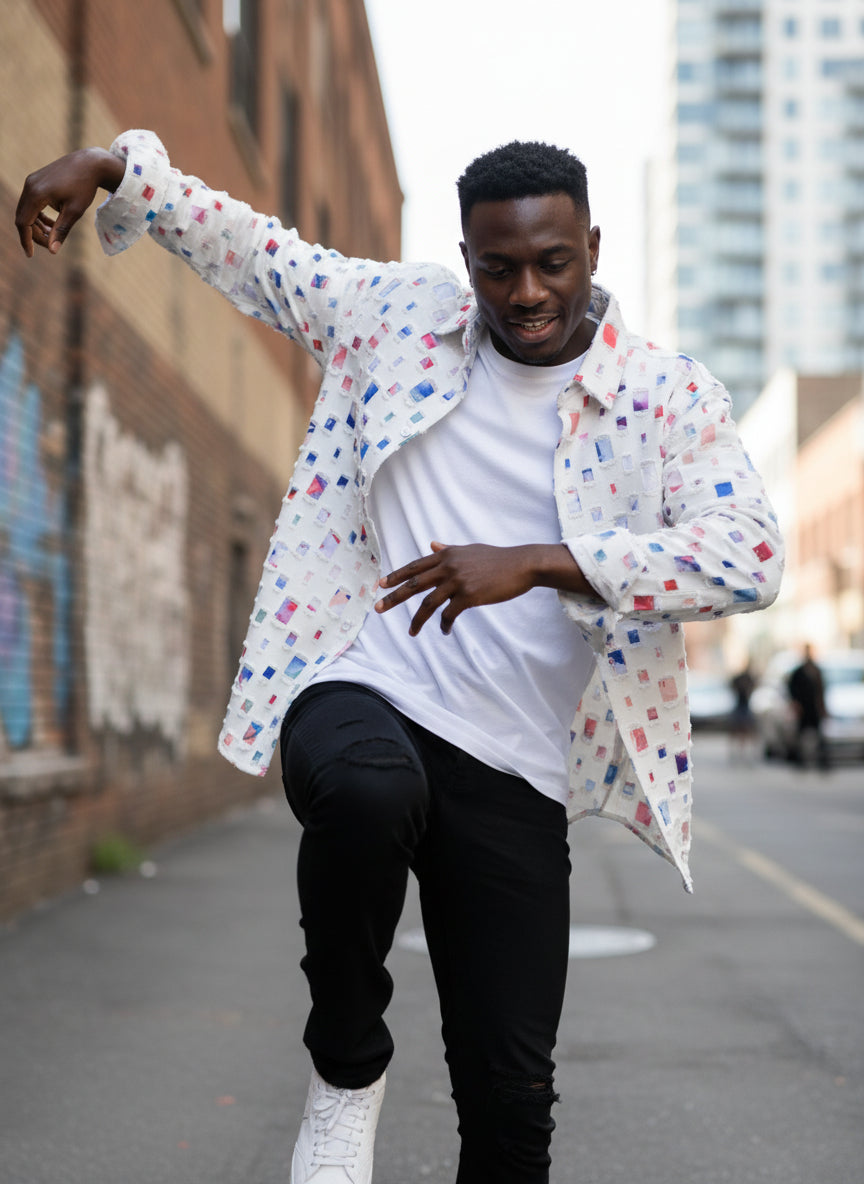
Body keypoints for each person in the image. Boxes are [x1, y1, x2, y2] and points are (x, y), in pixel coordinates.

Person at [16, 130, 784, 1184]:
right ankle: (347, 1068)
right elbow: (256, 251)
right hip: (361, 675)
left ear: (593, 247)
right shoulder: (399, 317)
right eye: (497, 266)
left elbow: (748, 556)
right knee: (368, 793)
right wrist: (113, 168)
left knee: (511, 1110)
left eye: (551, 262)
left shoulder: (664, 396)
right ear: (463, 256)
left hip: (516, 765)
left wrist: (539, 562)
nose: (525, 292)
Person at [787, 644, 829, 770]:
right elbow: (792, 689)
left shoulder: (816, 670)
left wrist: (822, 707)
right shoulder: (799, 672)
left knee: (819, 735)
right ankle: (800, 761)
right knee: (801, 734)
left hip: (814, 707)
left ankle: (822, 761)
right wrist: (795, 704)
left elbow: (821, 690)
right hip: (803, 708)